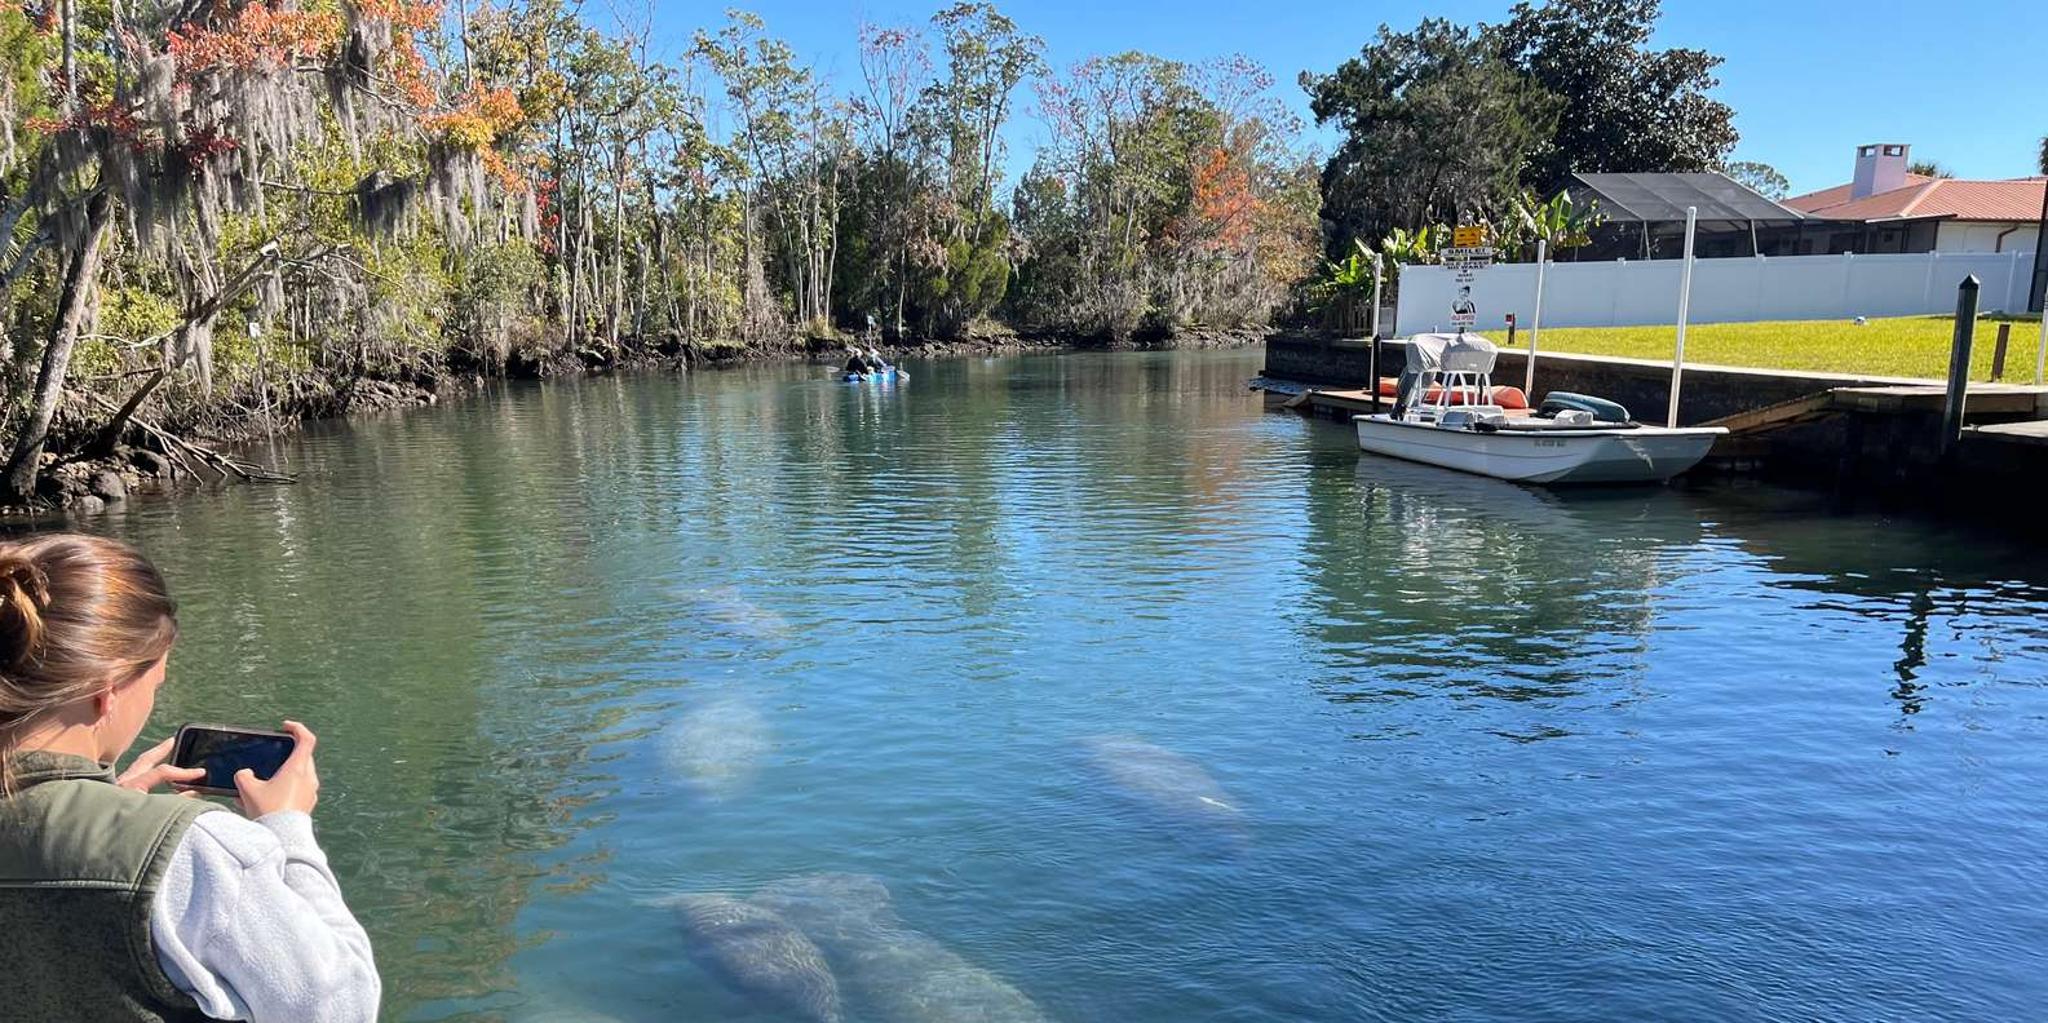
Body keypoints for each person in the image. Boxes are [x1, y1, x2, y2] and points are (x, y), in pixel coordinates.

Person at [0, 533, 380, 1022]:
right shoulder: (200, 849)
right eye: (154, 682)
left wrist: (107, 806)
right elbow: (340, 1008)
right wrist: (287, 829)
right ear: (107, 689)